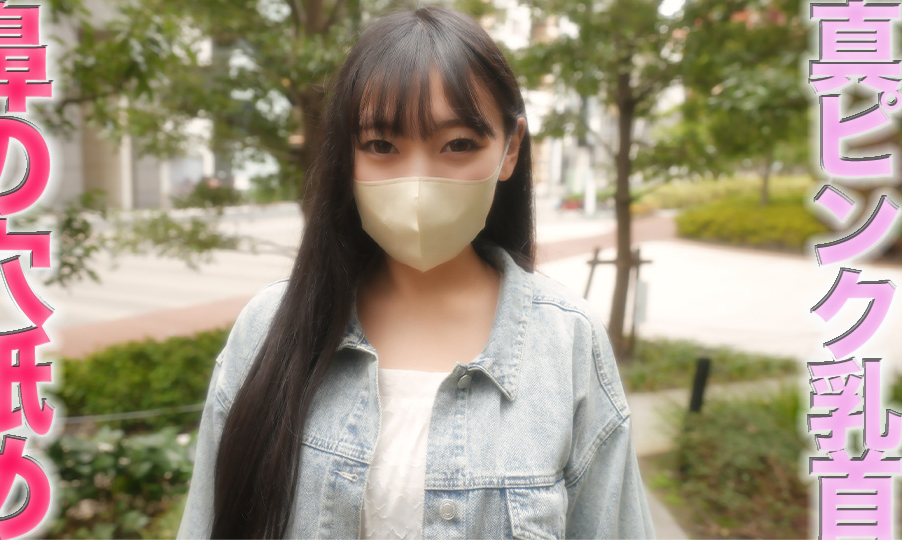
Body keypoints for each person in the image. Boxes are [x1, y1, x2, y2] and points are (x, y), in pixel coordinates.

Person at [177, 6, 655, 539]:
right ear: (346, 154)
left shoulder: (566, 342)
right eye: (381, 146)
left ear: (511, 149)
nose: (419, 184)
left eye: (459, 145)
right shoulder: (269, 327)